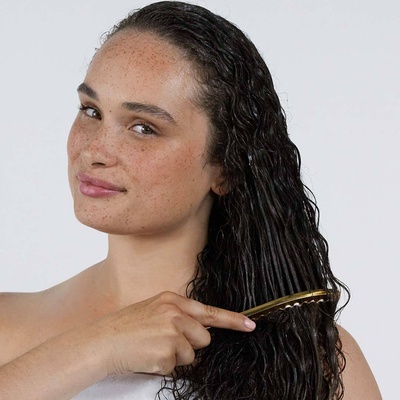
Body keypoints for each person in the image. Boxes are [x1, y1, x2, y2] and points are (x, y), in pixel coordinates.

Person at [0, 1, 381, 399]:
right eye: (91, 111)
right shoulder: (7, 327)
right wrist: (98, 348)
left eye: (144, 128)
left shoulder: (313, 361)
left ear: (225, 167)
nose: (95, 150)